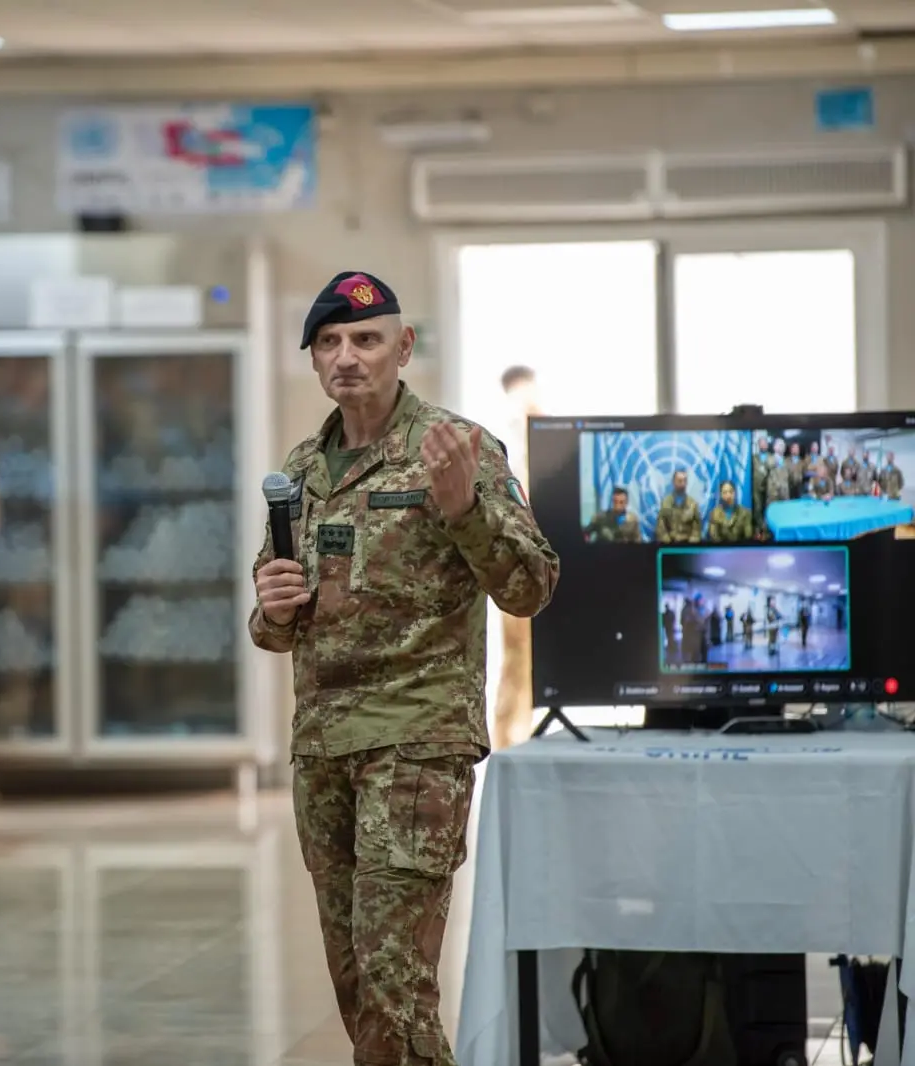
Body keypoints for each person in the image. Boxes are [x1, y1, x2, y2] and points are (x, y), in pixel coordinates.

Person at [249, 272, 558, 1066]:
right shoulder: (303, 469)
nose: (346, 357)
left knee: (395, 985)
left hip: (416, 746)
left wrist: (465, 510)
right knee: (358, 986)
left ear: (403, 348)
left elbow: (530, 587)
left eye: (365, 339)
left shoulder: (457, 449)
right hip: (324, 749)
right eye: (328, 343)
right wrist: (273, 608)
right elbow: (275, 624)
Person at [489, 365, 541, 752]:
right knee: (517, 665)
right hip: (514, 572)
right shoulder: (502, 453)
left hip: (547, 566)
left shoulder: (546, 441)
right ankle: (509, 747)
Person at [654, 469, 702, 543]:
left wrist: (692, 544)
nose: (683, 484)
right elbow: (660, 526)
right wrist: (668, 543)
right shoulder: (666, 502)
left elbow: (697, 529)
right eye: (680, 481)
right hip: (669, 544)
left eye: (685, 481)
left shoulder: (693, 503)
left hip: (688, 545)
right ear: (673, 482)